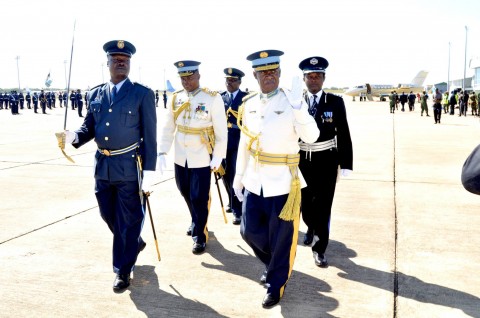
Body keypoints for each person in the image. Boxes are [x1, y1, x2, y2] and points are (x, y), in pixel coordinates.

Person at [57, 40, 157, 292]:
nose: (120, 62)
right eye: (116, 59)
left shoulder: (142, 94)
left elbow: (150, 137)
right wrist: (73, 136)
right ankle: (134, 242)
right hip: (103, 165)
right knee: (107, 214)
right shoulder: (95, 94)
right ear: (108, 63)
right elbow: (89, 126)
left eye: (125, 59)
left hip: (129, 166)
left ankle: (123, 270)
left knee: (128, 219)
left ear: (130, 64)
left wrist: (150, 173)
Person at [233, 50, 319, 308]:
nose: (268, 76)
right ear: (255, 75)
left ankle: (276, 284)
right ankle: (274, 264)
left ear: (280, 73)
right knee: (248, 231)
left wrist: (299, 108)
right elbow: (245, 143)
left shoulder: (293, 101)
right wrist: (238, 177)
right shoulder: (248, 104)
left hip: (283, 182)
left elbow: (312, 136)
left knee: (281, 237)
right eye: (263, 72)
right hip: (254, 179)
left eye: (273, 71)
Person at [157, 60, 227, 254]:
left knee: (199, 197)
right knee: (185, 191)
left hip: (202, 155)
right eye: (182, 78)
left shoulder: (212, 98)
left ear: (198, 76)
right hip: (181, 156)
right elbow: (168, 126)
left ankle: (199, 235)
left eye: (189, 77)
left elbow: (222, 132)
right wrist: (162, 151)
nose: (186, 81)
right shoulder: (175, 98)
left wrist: (218, 156)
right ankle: (196, 219)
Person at [297, 56, 353, 268]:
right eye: (309, 77)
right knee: (305, 206)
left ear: (323, 78)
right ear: (304, 79)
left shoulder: (335, 102)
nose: (313, 80)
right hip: (301, 161)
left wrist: (346, 163)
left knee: (323, 206)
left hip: (326, 161)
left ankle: (319, 248)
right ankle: (310, 227)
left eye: (317, 76)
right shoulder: (296, 102)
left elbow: (344, 133)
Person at [219, 67, 248, 225]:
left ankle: (238, 209)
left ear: (239, 82)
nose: (229, 83)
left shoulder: (245, 98)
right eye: (227, 80)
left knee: (236, 175)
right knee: (224, 174)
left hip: (238, 141)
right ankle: (231, 200)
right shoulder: (220, 97)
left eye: (232, 80)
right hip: (222, 142)